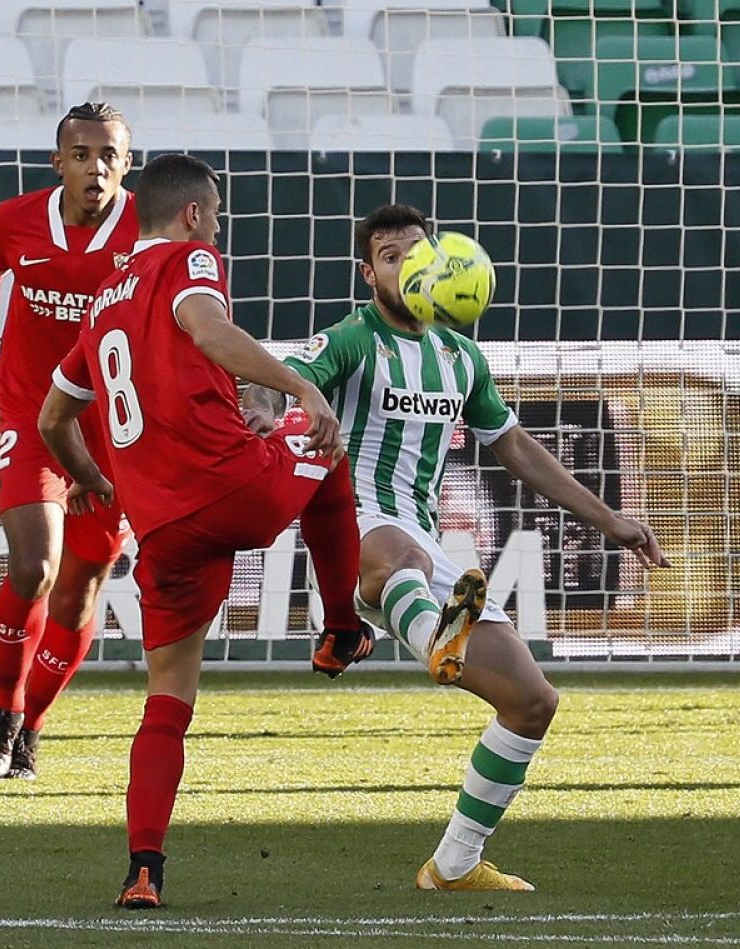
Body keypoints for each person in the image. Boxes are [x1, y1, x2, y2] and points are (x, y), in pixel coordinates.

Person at [281, 204, 671, 892]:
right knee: (403, 554)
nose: (409, 265)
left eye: (419, 253)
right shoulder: (350, 338)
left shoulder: (461, 358)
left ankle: (454, 863)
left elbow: (516, 446)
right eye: (392, 255)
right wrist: (275, 399)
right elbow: (285, 367)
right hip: (354, 526)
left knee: (532, 700)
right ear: (367, 273)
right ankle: (437, 639)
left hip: (421, 545)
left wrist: (610, 518)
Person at [38, 153, 373, 909]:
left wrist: (92, 479)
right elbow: (206, 325)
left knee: (168, 700)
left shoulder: (102, 303)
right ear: (193, 215)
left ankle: (144, 869)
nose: (216, 228)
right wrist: (297, 387)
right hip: (233, 489)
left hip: (164, 531)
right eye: (215, 216)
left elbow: (52, 418)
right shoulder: (189, 260)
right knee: (330, 450)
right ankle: (344, 629)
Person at [0, 102, 141, 781]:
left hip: (113, 428)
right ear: (57, 160)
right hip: (33, 416)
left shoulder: (148, 231)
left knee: (81, 589)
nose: (96, 168)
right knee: (33, 565)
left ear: (128, 163)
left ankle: (31, 727)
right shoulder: (12, 221)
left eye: (109, 156)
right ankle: (4, 709)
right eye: (82, 154)